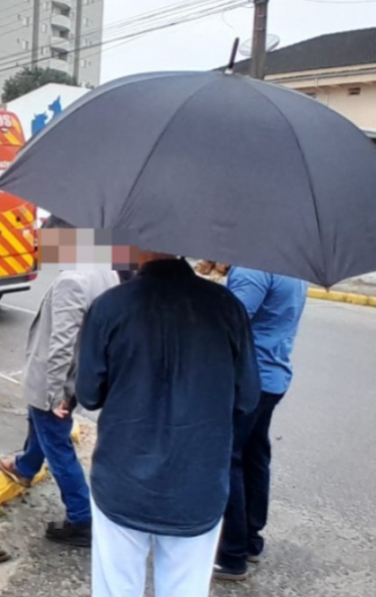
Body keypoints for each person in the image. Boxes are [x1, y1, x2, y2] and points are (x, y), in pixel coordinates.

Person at [76, 253, 261, 597]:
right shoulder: (226, 306)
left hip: (122, 480)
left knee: (116, 589)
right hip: (198, 482)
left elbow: (88, 394)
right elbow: (247, 398)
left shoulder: (109, 306)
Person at [0, 227, 119, 547]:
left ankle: (81, 518)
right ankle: (24, 466)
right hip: (79, 375)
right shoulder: (105, 271)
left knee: (58, 445)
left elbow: (61, 343)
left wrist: (54, 394)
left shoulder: (72, 281)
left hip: (57, 380)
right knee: (40, 426)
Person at [214, 268, 308, 581]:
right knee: (254, 455)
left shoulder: (253, 267)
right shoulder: (291, 264)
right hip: (273, 375)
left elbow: (229, 321)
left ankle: (232, 554)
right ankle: (251, 539)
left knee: (229, 459)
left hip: (248, 379)